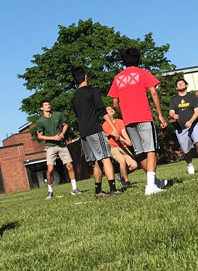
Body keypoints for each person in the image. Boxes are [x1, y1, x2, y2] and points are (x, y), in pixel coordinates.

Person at [107, 47, 169, 195]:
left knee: (140, 153)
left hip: (129, 121)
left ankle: (155, 182)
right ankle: (150, 186)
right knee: (150, 149)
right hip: (144, 117)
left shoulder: (118, 78)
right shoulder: (143, 73)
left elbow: (115, 104)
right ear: (138, 59)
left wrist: (125, 115)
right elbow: (153, 91)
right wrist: (159, 114)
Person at [71, 67, 123, 198]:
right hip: (94, 129)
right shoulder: (92, 91)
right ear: (85, 76)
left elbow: (78, 114)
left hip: (83, 133)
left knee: (96, 161)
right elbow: (102, 110)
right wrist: (113, 128)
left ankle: (98, 190)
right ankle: (113, 188)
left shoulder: (75, 96)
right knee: (106, 157)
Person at [35, 100, 81, 200]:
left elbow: (65, 125)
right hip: (50, 146)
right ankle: (50, 191)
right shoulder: (40, 121)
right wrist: (53, 138)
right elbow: (40, 136)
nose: (48, 106)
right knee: (50, 169)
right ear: (41, 108)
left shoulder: (57, 115)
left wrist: (62, 134)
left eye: (49, 104)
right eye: (45, 105)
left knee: (70, 165)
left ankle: (74, 188)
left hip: (62, 145)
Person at [167, 78, 198, 175]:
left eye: (182, 83)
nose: (180, 84)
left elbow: (197, 111)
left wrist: (191, 121)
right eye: (178, 84)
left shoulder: (193, 97)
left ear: (186, 85)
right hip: (181, 128)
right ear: (176, 87)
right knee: (185, 150)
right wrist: (173, 115)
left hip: (194, 124)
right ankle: (189, 164)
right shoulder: (173, 99)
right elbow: (171, 112)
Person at [102, 105, 139, 187]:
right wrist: (125, 140)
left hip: (123, 147)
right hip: (113, 147)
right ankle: (126, 182)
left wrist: (128, 140)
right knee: (122, 161)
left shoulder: (120, 121)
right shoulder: (105, 125)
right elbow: (116, 135)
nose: (110, 110)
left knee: (134, 165)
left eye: (111, 109)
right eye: (107, 110)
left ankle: (121, 176)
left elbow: (123, 132)